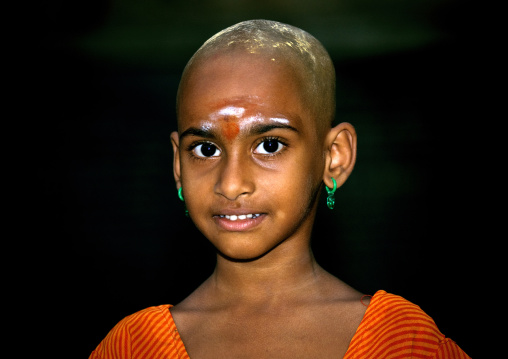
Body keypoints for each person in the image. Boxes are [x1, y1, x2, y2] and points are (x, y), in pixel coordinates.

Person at [90, 19, 470, 358]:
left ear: (333, 156)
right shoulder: (133, 347)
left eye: (269, 145)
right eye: (205, 149)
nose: (231, 183)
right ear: (177, 164)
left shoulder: (403, 343)